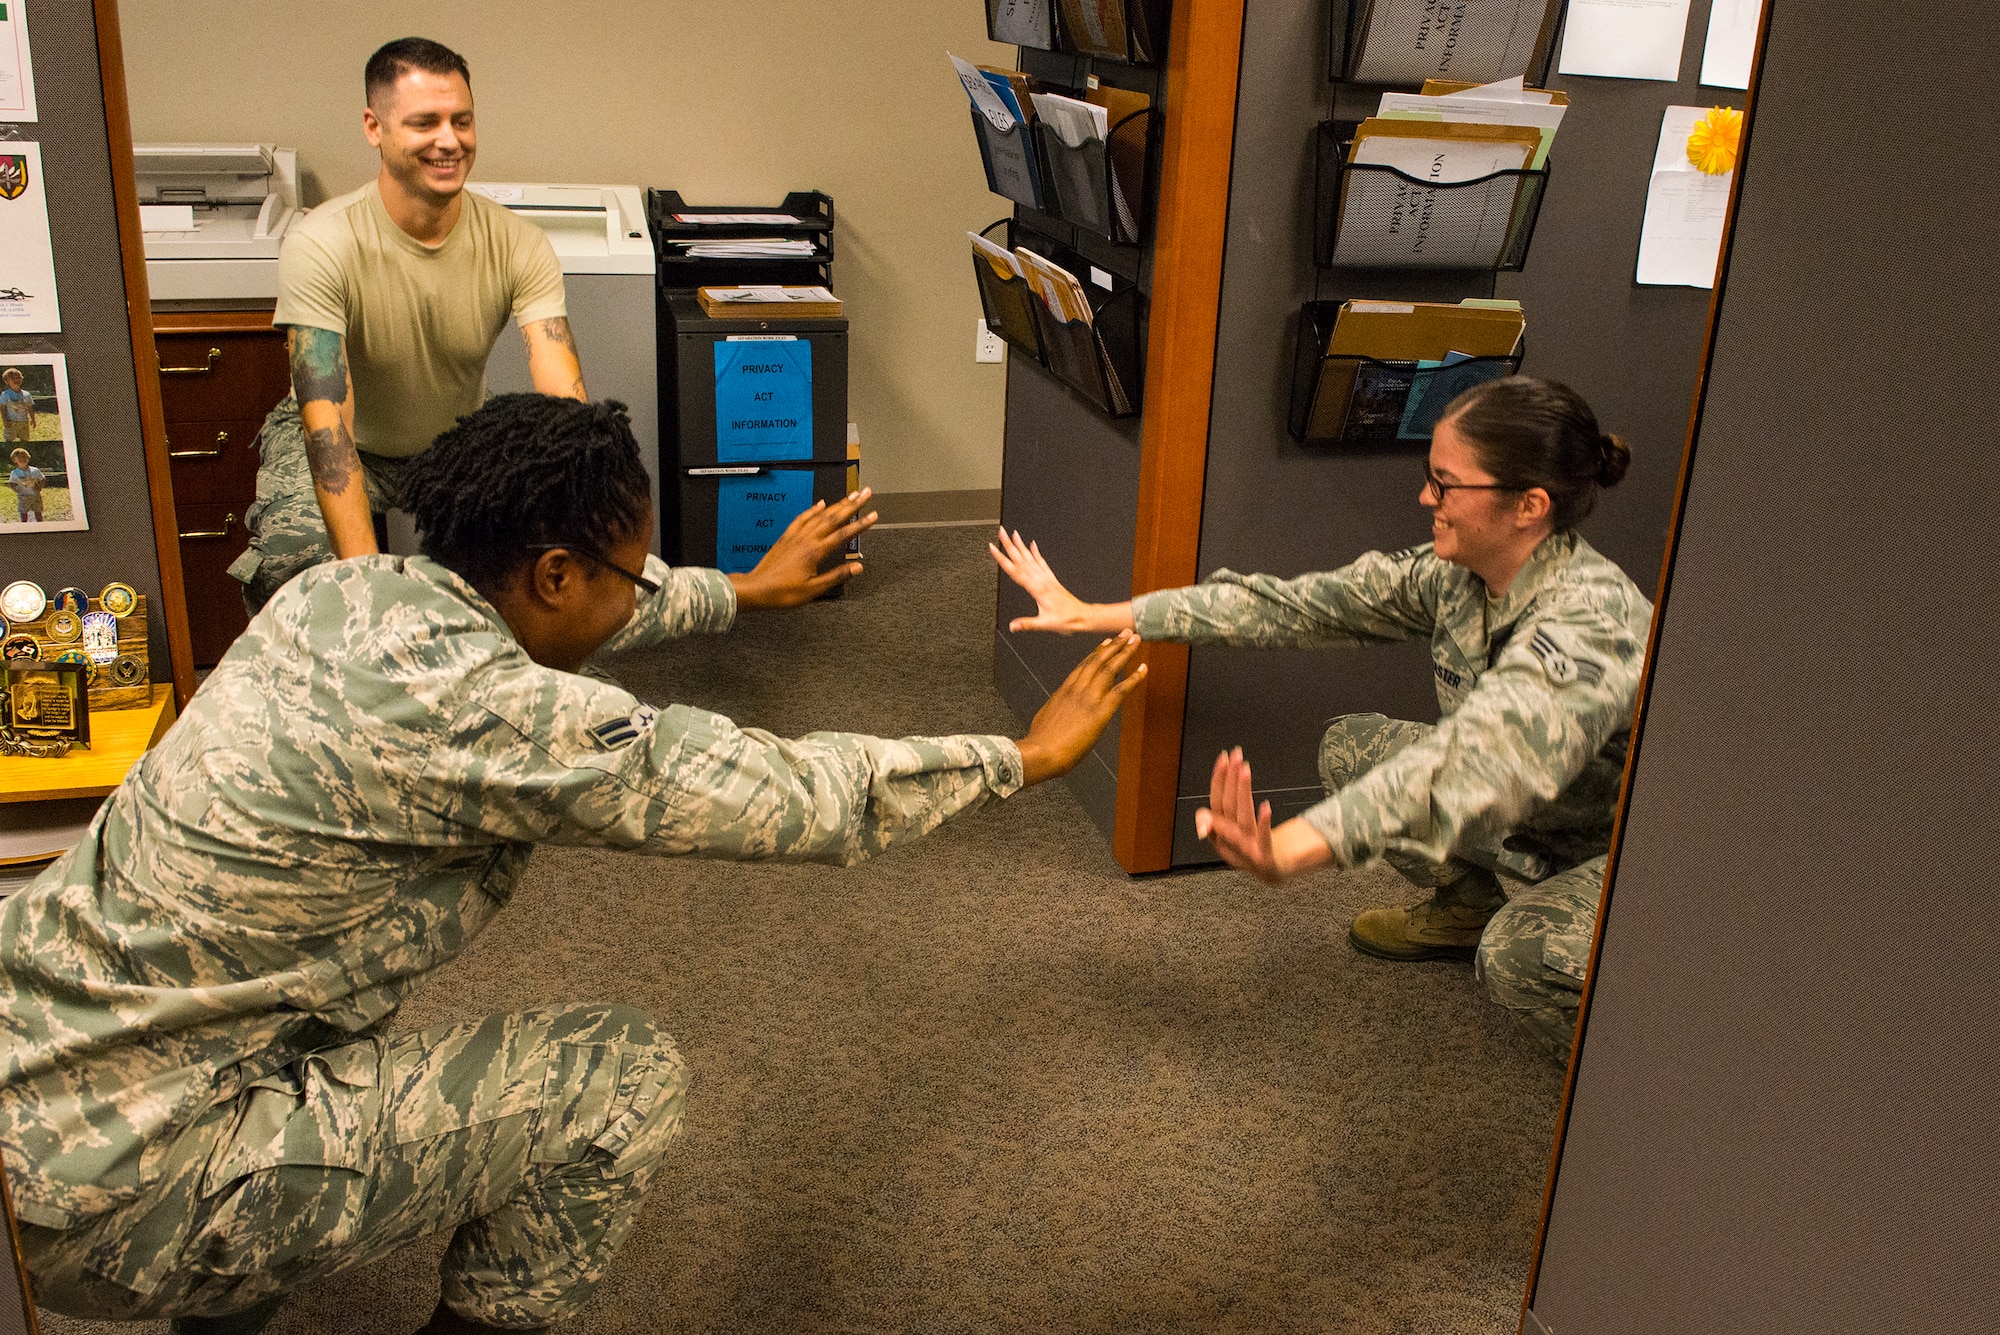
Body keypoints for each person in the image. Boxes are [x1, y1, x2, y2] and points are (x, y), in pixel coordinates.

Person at [1, 393, 1145, 1335]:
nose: (633, 597)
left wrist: (737, 591)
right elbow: (792, 793)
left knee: (333, 1034)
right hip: (112, 1190)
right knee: (619, 1079)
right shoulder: (500, 719)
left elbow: (573, 622)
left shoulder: (336, 594)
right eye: (627, 575)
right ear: (553, 572)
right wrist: (1020, 759)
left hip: (38, 1073)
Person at [992, 376, 1652, 1062]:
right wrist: (1098, 613)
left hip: (1621, 856)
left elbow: (1472, 761)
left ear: (1529, 504)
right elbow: (1298, 606)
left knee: (1518, 957)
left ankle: (1617, 1087)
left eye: (1447, 483)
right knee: (1353, 749)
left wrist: (1293, 848)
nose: (1427, 497)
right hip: (1528, 820)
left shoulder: (1590, 622)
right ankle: (1462, 907)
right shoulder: (1455, 575)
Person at [228, 37, 593, 612]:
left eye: (462, 121)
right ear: (375, 127)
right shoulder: (322, 242)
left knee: (524, 564)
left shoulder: (519, 242)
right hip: (351, 439)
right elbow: (328, 427)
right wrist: (364, 584)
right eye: (426, 122)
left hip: (455, 435)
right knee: (299, 566)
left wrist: (580, 495)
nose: (449, 140)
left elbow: (560, 390)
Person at [6, 446, 45, 523]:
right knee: (23, 513)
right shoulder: (14, 472)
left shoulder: (35, 470)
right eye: (19, 458)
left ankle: (40, 526)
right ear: (14, 460)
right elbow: (11, 483)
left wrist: (39, 487)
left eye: (24, 457)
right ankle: (24, 526)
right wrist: (15, 488)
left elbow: (42, 479)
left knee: (38, 512)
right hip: (23, 496)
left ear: (28, 458)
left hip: (35, 495)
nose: (22, 459)